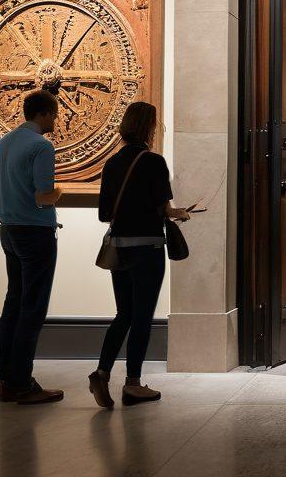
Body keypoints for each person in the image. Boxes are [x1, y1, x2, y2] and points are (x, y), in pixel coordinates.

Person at [87, 102, 191, 409]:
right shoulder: (154, 162)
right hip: (148, 247)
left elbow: (105, 213)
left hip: (119, 247)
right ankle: (133, 384)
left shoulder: (112, 164)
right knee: (143, 315)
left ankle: (102, 370)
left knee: (124, 314)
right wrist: (180, 214)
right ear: (150, 127)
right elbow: (165, 209)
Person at [0, 89, 64, 405]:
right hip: (35, 233)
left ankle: (6, 382)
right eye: (55, 114)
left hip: (8, 230)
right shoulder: (40, 146)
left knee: (13, 304)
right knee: (32, 308)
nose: (56, 119)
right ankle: (21, 383)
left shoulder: (3, 143)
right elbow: (43, 194)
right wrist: (58, 193)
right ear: (45, 113)